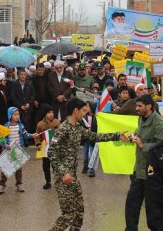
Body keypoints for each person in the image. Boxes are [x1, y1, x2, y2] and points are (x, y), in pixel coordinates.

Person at [48, 97, 129, 231]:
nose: (85, 114)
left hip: (72, 176)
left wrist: (116, 135)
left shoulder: (78, 127)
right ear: (75, 111)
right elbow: (52, 152)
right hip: (64, 177)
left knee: (79, 212)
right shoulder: (62, 129)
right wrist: (64, 173)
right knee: (68, 214)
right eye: (83, 111)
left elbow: (94, 136)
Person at [125, 94, 163, 231]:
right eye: (136, 105)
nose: (137, 108)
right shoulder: (141, 118)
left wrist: (144, 145)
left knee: (153, 210)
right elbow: (139, 134)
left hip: (152, 173)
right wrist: (132, 137)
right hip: (139, 170)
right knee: (131, 204)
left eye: (140, 106)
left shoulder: (159, 123)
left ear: (149, 106)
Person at [0, 107, 35, 194]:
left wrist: (32, 135)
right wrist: (6, 145)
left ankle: (19, 184)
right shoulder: (6, 126)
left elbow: (26, 135)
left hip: (18, 150)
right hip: (9, 150)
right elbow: (1, 140)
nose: (17, 116)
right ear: (10, 115)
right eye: (15, 114)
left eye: (18, 114)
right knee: (5, 168)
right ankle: (2, 185)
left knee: (18, 169)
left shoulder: (21, 126)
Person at [35, 104, 61, 190]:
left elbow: (60, 133)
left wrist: (58, 142)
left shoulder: (57, 122)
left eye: (52, 112)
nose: (51, 114)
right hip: (45, 149)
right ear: (45, 114)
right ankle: (48, 182)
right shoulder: (40, 124)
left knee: (56, 165)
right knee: (46, 166)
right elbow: (37, 135)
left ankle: (58, 181)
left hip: (55, 148)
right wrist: (38, 144)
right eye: (49, 112)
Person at [10, 68, 36, 135]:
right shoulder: (14, 84)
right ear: (18, 75)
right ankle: (22, 138)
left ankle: (28, 138)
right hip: (19, 108)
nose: (23, 76)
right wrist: (20, 105)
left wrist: (29, 102)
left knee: (29, 124)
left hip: (28, 106)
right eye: (21, 74)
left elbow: (33, 94)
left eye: (24, 74)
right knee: (20, 124)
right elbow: (13, 97)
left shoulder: (29, 83)